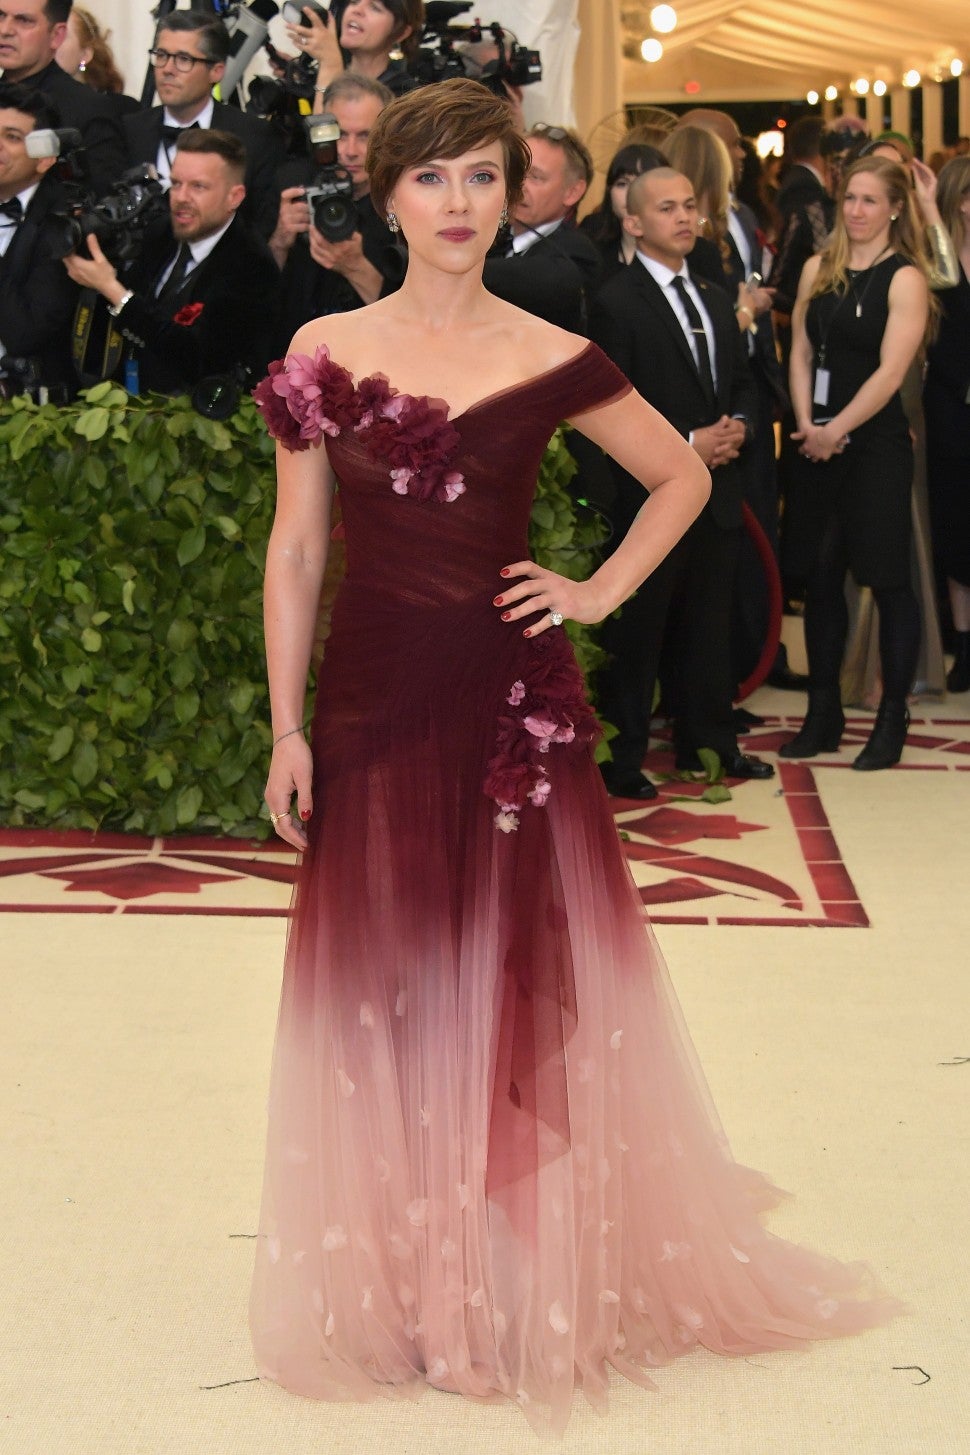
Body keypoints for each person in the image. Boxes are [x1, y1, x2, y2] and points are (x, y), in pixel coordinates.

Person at [249, 80, 898, 1435]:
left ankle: (483, 1290)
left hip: (504, 703)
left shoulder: (553, 345)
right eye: (431, 179)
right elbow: (298, 545)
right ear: (388, 194)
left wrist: (595, 592)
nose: (458, 204)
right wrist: (287, 725)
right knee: (390, 989)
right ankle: (414, 1279)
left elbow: (683, 476)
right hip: (370, 700)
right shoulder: (323, 343)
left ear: (515, 195)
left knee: (504, 984)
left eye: (483, 177)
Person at [590, 166, 771, 796]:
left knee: (709, 625)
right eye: (667, 208)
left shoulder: (716, 298)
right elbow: (612, 404)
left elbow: (740, 381)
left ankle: (709, 744)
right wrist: (688, 444)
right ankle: (623, 760)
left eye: (690, 205)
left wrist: (741, 426)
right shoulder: (614, 301)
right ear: (634, 223)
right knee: (639, 631)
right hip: (648, 494)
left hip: (717, 489)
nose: (684, 217)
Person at [780, 156, 932, 770]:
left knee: (886, 578)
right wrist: (806, 423)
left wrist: (836, 429)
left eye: (870, 200)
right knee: (820, 578)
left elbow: (892, 373)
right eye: (850, 198)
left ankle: (891, 718)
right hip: (815, 441)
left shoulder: (905, 278)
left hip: (875, 446)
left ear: (895, 208)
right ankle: (823, 713)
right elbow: (799, 349)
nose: (857, 211)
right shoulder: (818, 268)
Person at [63, 128, 282, 396]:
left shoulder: (252, 265)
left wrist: (113, 291)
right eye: (176, 183)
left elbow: (200, 361)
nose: (181, 197)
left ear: (234, 197)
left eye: (198, 186)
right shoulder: (162, 232)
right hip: (133, 398)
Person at [123, 11, 285, 240]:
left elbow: (260, 231)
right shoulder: (129, 130)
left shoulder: (255, 138)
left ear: (216, 71)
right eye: (161, 55)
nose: (167, 69)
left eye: (183, 59)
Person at [271, 73, 398, 332]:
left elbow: (409, 324)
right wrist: (280, 241)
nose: (350, 151)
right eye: (338, 135)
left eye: (365, 136)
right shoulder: (292, 185)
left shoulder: (404, 205)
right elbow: (256, 301)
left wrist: (356, 267)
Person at [482, 122, 602, 333]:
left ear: (573, 192)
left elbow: (522, 280)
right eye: (515, 171)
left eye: (536, 177)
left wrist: (452, 269)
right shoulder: (489, 236)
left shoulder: (577, 252)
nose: (519, 185)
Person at [0, 81, 79, 396]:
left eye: (12, 137)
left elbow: (26, 333)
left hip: (28, 399)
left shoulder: (64, 222)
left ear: (44, 158)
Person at [924, 156, 970, 691]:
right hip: (952, 414)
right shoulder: (939, 265)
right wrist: (929, 208)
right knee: (956, 532)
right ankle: (963, 645)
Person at [0, 0, 126, 194]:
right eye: (0, 16)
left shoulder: (89, 109)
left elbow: (100, 197)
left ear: (57, 35)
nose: (5, 30)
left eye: (24, 20)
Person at [286, 0, 423, 102]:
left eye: (375, 8)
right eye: (354, 1)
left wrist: (330, 65)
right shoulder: (322, 76)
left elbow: (331, 131)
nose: (357, 10)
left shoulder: (406, 96)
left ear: (402, 32)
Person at [578, 139, 666, 283]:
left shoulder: (692, 253)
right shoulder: (589, 241)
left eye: (642, 183)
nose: (632, 193)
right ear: (609, 192)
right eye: (622, 184)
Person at [54, 3, 137, 115]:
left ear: (85, 55)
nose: (51, 43)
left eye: (61, 35)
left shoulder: (122, 109)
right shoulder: (34, 103)